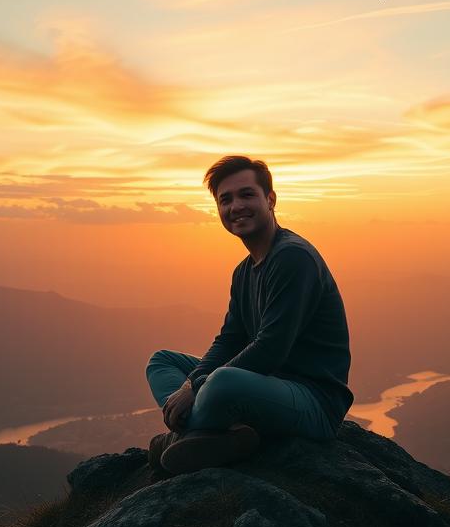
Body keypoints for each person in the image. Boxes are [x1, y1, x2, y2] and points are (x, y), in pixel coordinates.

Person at [145, 155, 353, 475]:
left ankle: (183, 437)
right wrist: (191, 383)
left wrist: (196, 387)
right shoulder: (244, 272)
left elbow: (270, 349)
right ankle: (208, 436)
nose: (236, 206)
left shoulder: (293, 258)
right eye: (225, 199)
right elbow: (230, 339)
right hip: (267, 385)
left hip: (314, 402)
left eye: (247, 194)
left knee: (222, 381)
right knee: (162, 361)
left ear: (270, 199)